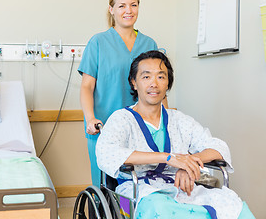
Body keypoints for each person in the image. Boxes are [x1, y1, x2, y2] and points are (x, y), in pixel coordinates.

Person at [96, 51, 255, 219]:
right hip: (133, 194)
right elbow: (107, 152)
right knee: (160, 209)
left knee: (233, 205)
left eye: (161, 77)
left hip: (180, 186)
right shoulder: (121, 119)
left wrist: (188, 164)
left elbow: (218, 147)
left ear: (168, 84)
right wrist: (168, 157)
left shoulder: (179, 120)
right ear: (134, 82)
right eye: (146, 77)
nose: (154, 84)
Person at [78, 0, 159, 187]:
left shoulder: (149, 44)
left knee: (136, 187)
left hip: (140, 128)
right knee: (106, 189)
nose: (128, 11)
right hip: (103, 128)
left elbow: (157, 88)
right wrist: (90, 119)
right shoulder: (97, 43)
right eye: (121, 5)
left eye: (133, 5)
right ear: (111, 9)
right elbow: (87, 86)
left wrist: (165, 120)